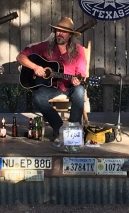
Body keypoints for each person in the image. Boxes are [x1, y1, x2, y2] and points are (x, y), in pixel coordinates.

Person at [16, 17, 86, 145]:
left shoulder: (78, 50)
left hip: (70, 85)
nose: (59, 33)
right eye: (57, 30)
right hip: (51, 86)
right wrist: (35, 67)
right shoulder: (45, 47)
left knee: (80, 91)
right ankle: (60, 130)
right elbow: (20, 57)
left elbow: (81, 73)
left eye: (63, 31)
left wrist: (78, 80)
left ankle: (73, 130)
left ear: (70, 35)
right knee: (38, 97)